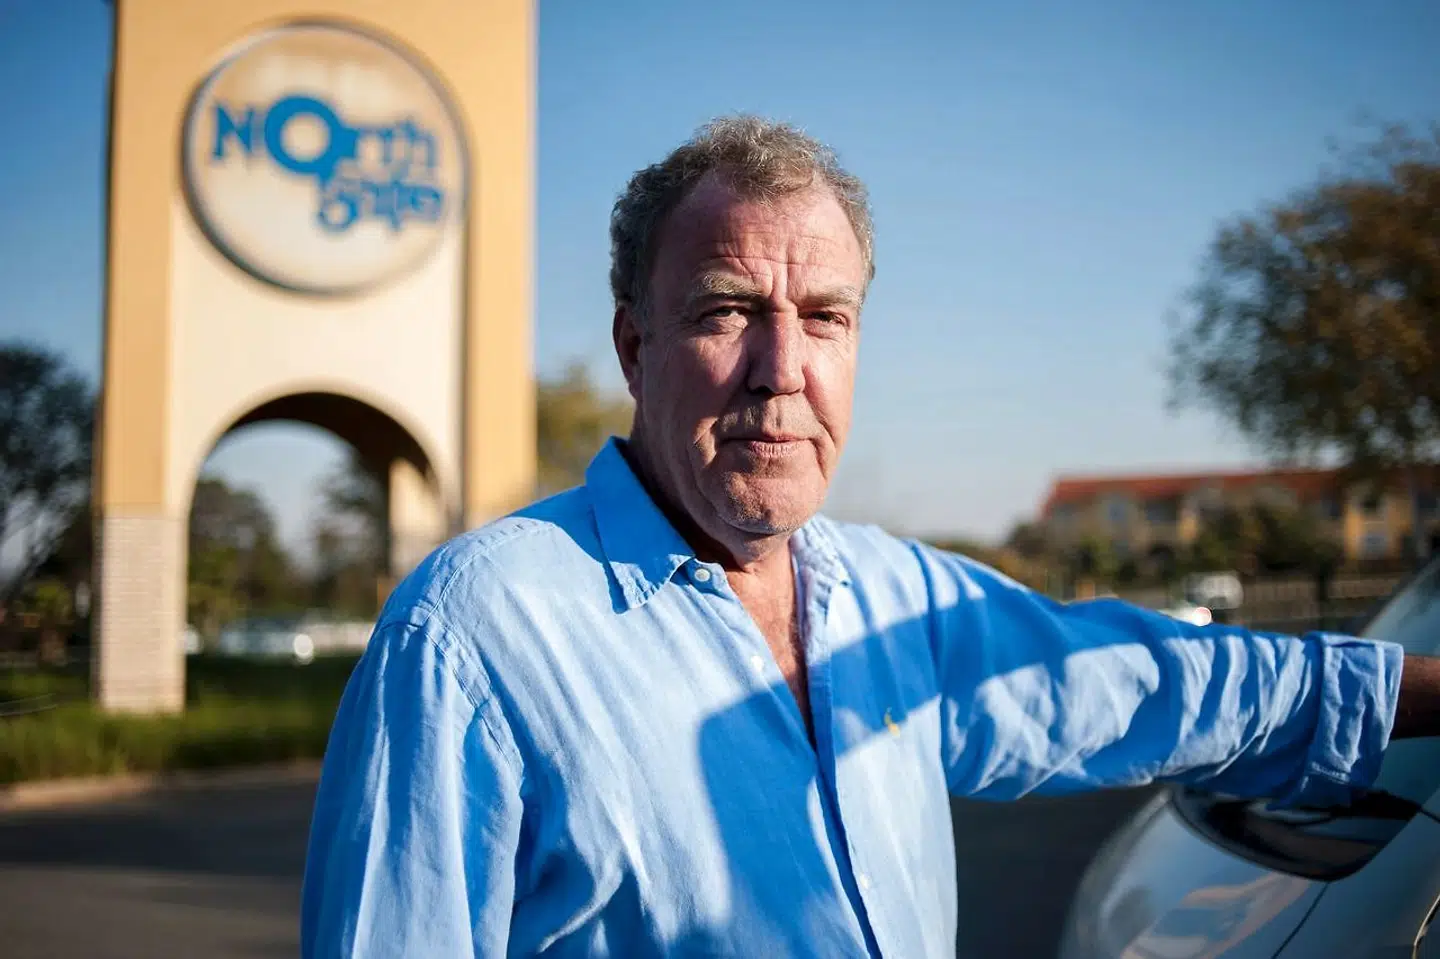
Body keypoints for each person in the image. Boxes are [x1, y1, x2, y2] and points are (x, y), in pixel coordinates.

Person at [300, 115, 1440, 958]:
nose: (781, 369)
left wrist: (1425, 691)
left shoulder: (892, 597)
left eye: (826, 318)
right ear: (635, 346)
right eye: (727, 309)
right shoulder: (474, 634)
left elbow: (1150, 682)